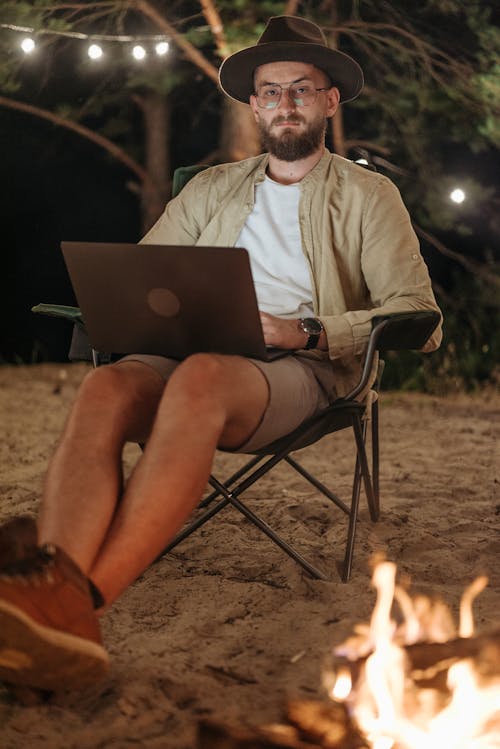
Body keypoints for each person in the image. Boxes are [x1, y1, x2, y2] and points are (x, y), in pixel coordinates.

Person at [0, 15, 442, 691]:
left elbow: (418, 313)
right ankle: (47, 596)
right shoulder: (210, 189)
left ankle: (80, 608)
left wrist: (311, 331)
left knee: (202, 379)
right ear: (254, 103)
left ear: (329, 101)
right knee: (105, 389)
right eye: (270, 91)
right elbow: (144, 274)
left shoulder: (367, 196)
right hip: (196, 353)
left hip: (304, 370)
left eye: (300, 88)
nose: (284, 103)